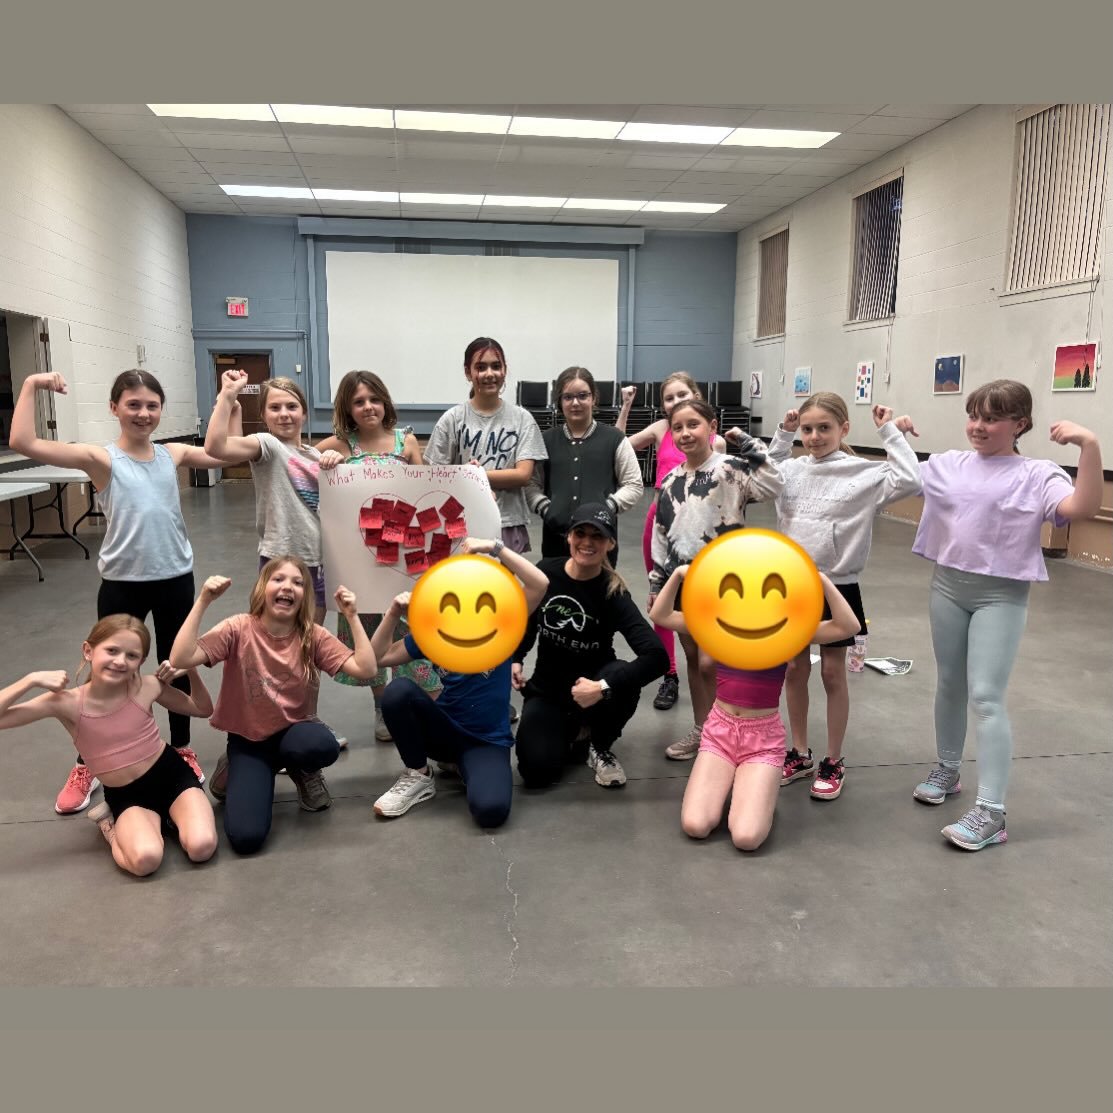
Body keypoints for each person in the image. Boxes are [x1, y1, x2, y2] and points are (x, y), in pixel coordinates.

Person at [10, 370, 232, 814]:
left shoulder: (173, 454)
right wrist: (33, 385)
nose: (143, 413)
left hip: (174, 578)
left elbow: (222, 451)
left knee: (176, 663)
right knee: (104, 673)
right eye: (133, 404)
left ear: (161, 410)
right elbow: (23, 443)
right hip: (122, 584)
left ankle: (182, 747)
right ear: (115, 408)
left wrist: (228, 397)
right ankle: (88, 759)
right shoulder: (102, 459)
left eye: (151, 405)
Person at [909, 380, 1103, 850]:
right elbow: (897, 476)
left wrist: (1090, 445)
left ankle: (991, 812)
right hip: (948, 586)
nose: (978, 426)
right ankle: (948, 768)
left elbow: (1084, 507)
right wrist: (893, 432)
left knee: (987, 696)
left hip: (1001, 596)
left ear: (1020, 424)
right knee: (949, 682)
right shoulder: (951, 463)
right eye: (973, 415)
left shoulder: (1037, 474)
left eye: (991, 418)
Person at [766, 395, 922, 800]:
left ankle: (834, 759)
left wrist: (889, 431)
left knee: (833, 673)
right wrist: (782, 435)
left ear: (844, 429)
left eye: (824, 428)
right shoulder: (792, 469)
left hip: (837, 586)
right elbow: (765, 474)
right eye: (807, 429)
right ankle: (799, 753)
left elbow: (911, 480)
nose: (814, 437)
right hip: (791, 584)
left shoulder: (862, 473)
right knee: (794, 670)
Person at [169, 558, 377, 855]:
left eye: (297, 582)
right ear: (262, 588)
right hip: (249, 741)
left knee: (322, 745)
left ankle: (302, 769)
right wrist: (203, 600)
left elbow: (366, 668)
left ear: (305, 596)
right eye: (278, 579)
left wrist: (352, 615)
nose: (287, 587)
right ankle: (238, 767)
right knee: (245, 838)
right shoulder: (238, 628)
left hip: (294, 733)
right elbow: (180, 658)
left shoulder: (312, 635)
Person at [650, 566, 859, 852]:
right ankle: (738, 786)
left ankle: (754, 790)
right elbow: (660, 616)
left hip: (762, 741)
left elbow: (849, 627)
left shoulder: (786, 631)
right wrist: (678, 575)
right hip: (719, 734)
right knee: (695, 825)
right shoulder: (720, 623)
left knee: (746, 838)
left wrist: (820, 580)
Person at [204, 369, 349, 772]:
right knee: (272, 652)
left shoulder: (317, 457)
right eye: (275, 408)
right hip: (279, 564)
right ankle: (264, 729)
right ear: (264, 416)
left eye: (291, 406)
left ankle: (306, 721)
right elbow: (216, 447)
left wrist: (335, 461)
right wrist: (228, 396)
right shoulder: (266, 447)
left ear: (304, 411)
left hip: (316, 566)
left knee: (308, 651)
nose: (284, 414)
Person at [0, 615, 216, 877]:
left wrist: (189, 668)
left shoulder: (146, 686)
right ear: (88, 651)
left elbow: (203, 709)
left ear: (141, 662)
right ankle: (112, 827)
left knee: (201, 847)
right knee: (145, 861)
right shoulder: (65, 703)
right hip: (127, 795)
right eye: (111, 650)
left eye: (131, 655)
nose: (120, 661)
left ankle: (171, 818)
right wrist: (31, 680)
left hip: (172, 777)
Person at [369, 538, 548, 827]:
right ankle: (419, 774)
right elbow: (377, 658)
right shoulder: (438, 632)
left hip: (486, 740)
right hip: (445, 730)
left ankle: (464, 767)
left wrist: (493, 547)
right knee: (397, 691)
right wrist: (392, 614)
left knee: (490, 811)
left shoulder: (503, 621)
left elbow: (539, 584)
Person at [649, 398, 784, 761]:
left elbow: (773, 484)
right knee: (693, 658)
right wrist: (657, 584)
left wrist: (747, 440)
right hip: (682, 584)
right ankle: (702, 729)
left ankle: (724, 732)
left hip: (725, 584)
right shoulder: (670, 481)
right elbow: (661, 536)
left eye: (693, 424)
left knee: (713, 661)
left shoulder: (730, 469)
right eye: (677, 427)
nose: (684, 433)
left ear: (711, 426)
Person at [314, 370, 441, 743]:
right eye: (358, 401)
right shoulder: (340, 445)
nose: (367, 407)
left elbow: (428, 489)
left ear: (384, 402)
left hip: (404, 557)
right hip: (361, 559)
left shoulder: (407, 441)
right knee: (371, 634)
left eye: (373, 399)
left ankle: (426, 702)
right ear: (347, 409)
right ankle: (383, 707)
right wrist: (325, 467)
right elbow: (298, 466)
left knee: (414, 630)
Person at [512, 503, 669, 789]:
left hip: (595, 690)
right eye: (580, 533)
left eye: (597, 536)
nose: (587, 542)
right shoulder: (546, 573)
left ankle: (599, 743)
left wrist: (603, 686)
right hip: (548, 690)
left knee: (622, 677)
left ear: (610, 543)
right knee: (536, 773)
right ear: (568, 537)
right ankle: (575, 732)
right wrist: (517, 657)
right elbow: (529, 618)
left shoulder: (613, 591)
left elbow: (657, 657)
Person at [616, 372, 726, 712]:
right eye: (668, 398)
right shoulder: (663, 430)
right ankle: (670, 673)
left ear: (695, 395)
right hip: (659, 522)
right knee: (662, 600)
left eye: (682, 395)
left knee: (705, 610)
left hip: (698, 530)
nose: (675, 402)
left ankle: (715, 696)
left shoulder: (715, 442)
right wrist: (626, 406)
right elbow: (617, 444)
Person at [424, 337, 548, 554]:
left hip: (507, 522)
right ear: (467, 372)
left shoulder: (522, 419)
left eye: (496, 366)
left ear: (504, 370)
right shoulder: (452, 419)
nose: (489, 373)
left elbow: (523, 475)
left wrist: (474, 475)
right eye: (481, 367)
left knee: (502, 587)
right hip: (460, 524)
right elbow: (436, 476)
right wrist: (471, 475)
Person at [525, 367, 643, 560]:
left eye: (582, 396)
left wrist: (608, 507)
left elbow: (634, 484)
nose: (575, 403)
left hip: (600, 543)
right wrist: (546, 508)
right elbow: (530, 483)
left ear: (593, 398)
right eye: (568, 397)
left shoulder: (614, 439)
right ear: (560, 401)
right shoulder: (545, 441)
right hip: (556, 542)